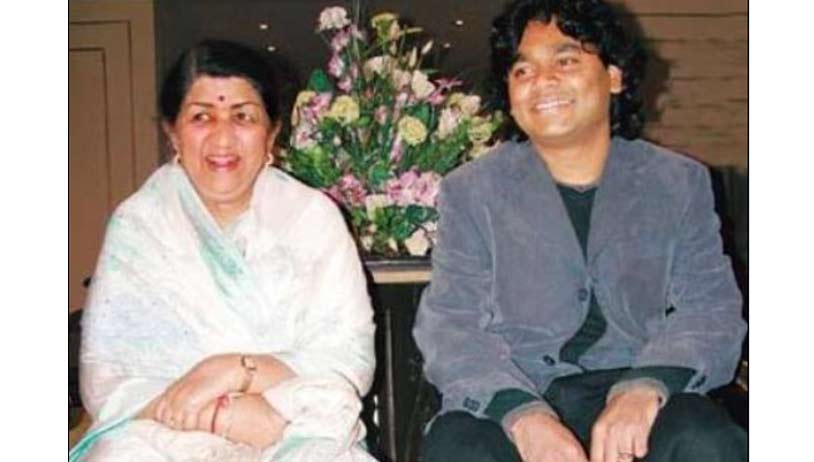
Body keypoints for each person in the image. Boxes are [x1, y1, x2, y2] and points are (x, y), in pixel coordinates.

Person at [413, 1, 747, 462]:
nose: (542, 81)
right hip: (516, 387)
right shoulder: (472, 190)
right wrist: (523, 415)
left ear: (614, 76)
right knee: (458, 448)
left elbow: (711, 309)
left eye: (566, 61)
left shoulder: (676, 182)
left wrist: (646, 387)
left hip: (637, 381)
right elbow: (451, 326)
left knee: (705, 440)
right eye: (522, 71)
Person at [70, 40, 377, 462]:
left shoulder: (312, 218)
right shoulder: (141, 224)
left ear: (272, 133)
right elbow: (106, 377)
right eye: (202, 116)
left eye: (243, 116)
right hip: (160, 431)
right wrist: (221, 416)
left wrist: (238, 370)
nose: (223, 138)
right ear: (172, 132)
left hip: (293, 422)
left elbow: (349, 358)